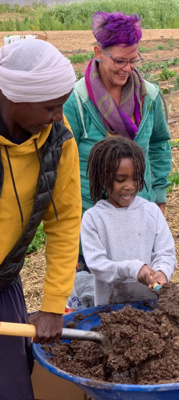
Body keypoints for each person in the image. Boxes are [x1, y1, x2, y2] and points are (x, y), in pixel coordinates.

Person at [0, 39, 81, 399]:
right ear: (16, 97)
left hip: (4, 282)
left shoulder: (58, 143)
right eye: (51, 107)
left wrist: (52, 306)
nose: (58, 116)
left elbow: (63, 223)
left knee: (13, 388)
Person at [63, 12, 172, 269]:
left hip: (138, 209)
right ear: (98, 53)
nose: (128, 68)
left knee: (141, 283)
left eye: (134, 60)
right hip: (91, 214)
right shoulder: (77, 102)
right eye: (120, 60)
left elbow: (158, 144)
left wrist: (159, 195)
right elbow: (62, 163)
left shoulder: (149, 97)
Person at [81, 136, 176, 305]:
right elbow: (97, 265)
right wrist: (134, 269)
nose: (130, 186)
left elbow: (166, 252)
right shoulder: (93, 219)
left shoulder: (151, 211)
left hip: (152, 306)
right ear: (103, 178)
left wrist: (162, 272)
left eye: (136, 178)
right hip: (111, 311)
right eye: (120, 179)